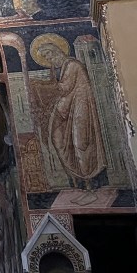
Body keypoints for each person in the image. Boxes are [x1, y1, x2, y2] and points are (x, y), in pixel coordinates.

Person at [36, 40, 106, 188]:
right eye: (46, 57)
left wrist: (42, 86)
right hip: (67, 108)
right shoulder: (63, 67)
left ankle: (89, 178)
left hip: (81, 108)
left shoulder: (72, 65)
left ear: (56, 50)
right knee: (58, 139)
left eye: (49, 54)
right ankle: (76, 176)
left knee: (80, 142)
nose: (49, 59)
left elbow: (65, 88)